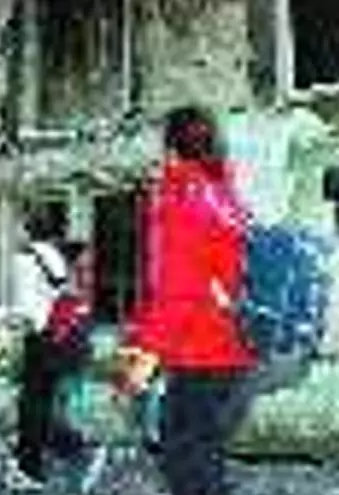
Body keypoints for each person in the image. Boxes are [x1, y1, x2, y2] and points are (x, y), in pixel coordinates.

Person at [118, 105, 257, 495]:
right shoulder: (225, 196)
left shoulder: (184, 199)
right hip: (231, 350)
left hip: (197, 352)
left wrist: (146, 357)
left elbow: (177, 289)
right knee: (206, 457)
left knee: (185, 465)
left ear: (171, 146)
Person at [4, 226, 106, 493]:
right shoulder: (58, 266)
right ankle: (56, 455)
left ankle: (45, 461)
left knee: (35, 405)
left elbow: (27, 309)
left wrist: (9, 320)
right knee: (46, 403)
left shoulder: (27, 259)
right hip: (64, 342)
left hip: (45, 340)